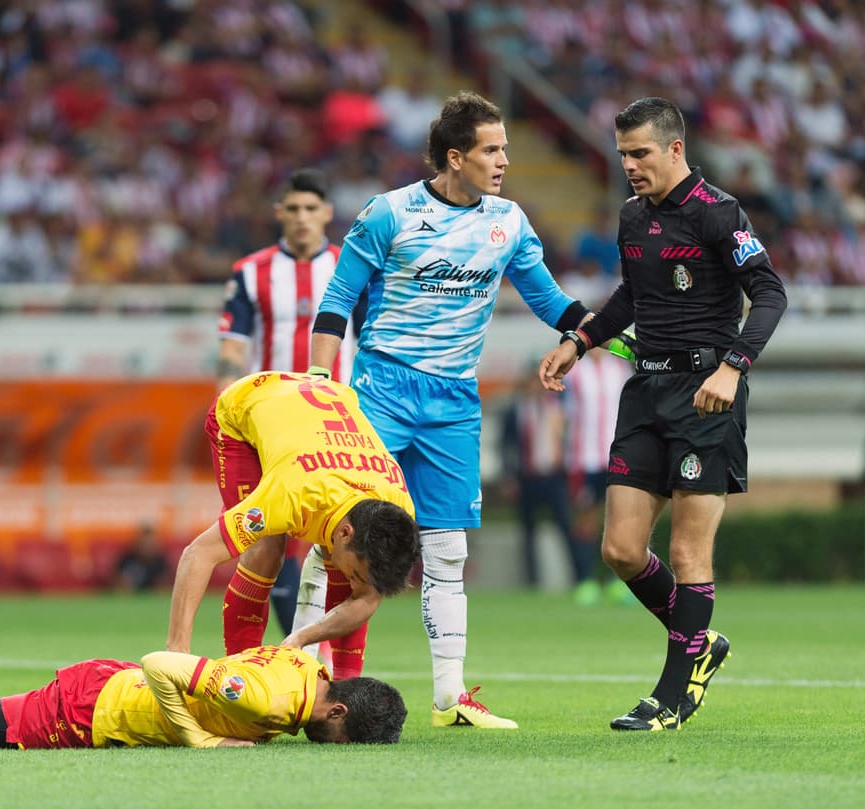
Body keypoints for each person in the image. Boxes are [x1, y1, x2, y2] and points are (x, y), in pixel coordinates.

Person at [310, 91, 591, 730]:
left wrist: (605, 334)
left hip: (453, 404)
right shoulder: (390, 214)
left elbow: (550, 302)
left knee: (446, 552)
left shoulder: (508, 222)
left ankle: (449, 700)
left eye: (506, 149)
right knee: (339, 536)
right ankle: (304, 673)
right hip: (380, 392)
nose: (504, 161)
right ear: (456, 157)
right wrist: (318, 385)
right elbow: (336, 301)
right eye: (492, 150)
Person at [539, 97, 787, 731]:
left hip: (706, 395)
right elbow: (631, 294)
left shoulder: (718, 212)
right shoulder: (631, 217)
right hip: (644, 391)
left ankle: (672, 698)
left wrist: (733, 367)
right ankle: (700, 642)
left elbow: (769, 293)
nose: (629, 165)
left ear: (675, 149)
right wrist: (580, 341)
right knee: (621, 549)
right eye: (623, 154)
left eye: (640, 153)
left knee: (686, 553)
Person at [215, 168, 366, 674]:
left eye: (311, 208)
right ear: (279, 213)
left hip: (333, 426)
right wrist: (228, 403)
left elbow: (370, 342)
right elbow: (232, 349)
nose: (302, 218)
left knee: (342, 541)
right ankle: (253, 670)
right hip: (268, 425)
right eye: (292, 208)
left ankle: (329, 669)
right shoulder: (251, 271)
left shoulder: (351, 267)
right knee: (263, 542)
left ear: (326, 213)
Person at [166, 372, 420, 660]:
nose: (356, 586)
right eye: (358, 575)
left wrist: (302, 637)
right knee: (266, 547)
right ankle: (243, 670)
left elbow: (366, 597)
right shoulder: (290, 495)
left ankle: (348, 688)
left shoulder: (397, 510)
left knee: (344, 565)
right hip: (244, 405)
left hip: (321, 404)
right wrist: (177, 654)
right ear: (345, 532)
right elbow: (198, 553)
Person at [0, 645, 407, 751]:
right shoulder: (270, 697)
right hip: (96, 707)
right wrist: (199, 738)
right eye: (344, 741)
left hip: (105, 694)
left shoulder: (305, 669)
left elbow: (301, 642)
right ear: (338, 710)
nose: (332, 749)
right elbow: (162, 663)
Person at [498, 366, 588, 591]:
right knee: (528, 534)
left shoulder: (558, 408)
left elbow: (571, 439)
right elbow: (506, 445)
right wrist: (508, 476)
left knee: (565, 529)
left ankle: (580, 579)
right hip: (527, 478)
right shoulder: (516, 410)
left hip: (553, 478)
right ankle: (532, 582)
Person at [562, 345, 635, 607]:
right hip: (584, 458)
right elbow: (561, 414)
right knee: (586, 521)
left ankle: (619, 582)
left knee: (619, 519)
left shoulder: (620, 368)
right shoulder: (574, 372)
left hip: (617, 454)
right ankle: (585, 581)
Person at [114, 523, 168, 592]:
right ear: (138, 543)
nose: (147, 547)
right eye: (145, 544)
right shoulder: (128, 559)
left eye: (150, 544)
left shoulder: (159, 561)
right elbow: (119, 587)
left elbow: (163, 589)